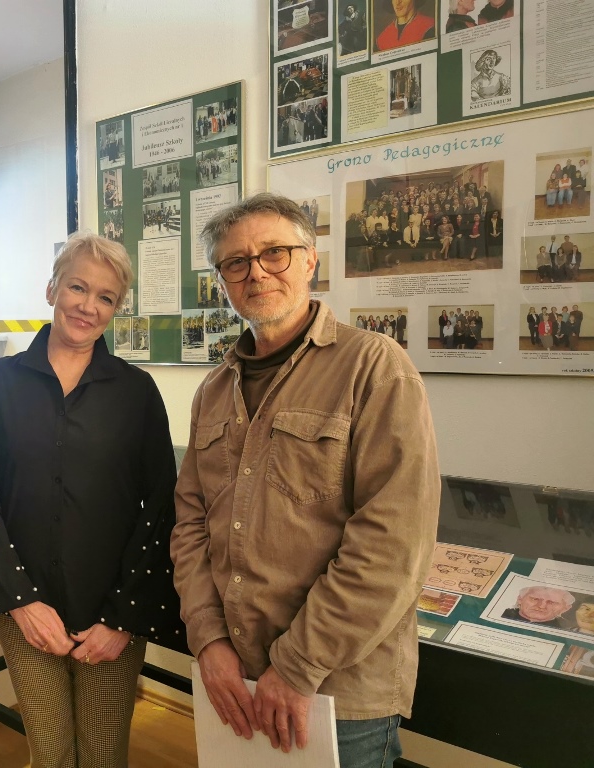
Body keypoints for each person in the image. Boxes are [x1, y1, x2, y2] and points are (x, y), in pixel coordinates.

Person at [172, 193, 439, 767]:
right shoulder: (213, 390)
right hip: (234, 679)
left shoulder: (374, 367)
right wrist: (208, 639)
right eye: (236, 262)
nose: (256, 272)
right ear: (221, 281)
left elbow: (393, 543)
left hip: (336, 693)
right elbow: (191, 524)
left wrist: (296, 666)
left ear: (310, 259)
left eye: (275, 252)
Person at [0, 233, 184, 768]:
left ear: (116, 309)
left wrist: (123, 618)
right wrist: (21, 604)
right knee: (51, 754)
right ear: (52, 289)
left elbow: (160, 509)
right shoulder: (0, 382)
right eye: (78, 287)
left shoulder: (136, 392)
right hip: (26, 606)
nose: (88, 306)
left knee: (103, 755)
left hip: (111, 610)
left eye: (106, 297)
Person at [502, 586, 574, 627]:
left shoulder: (568, 628)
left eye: (551, 602)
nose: (541, 606)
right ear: (520, 599)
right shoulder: (502, 613)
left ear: (565, 608)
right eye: (535, 599)